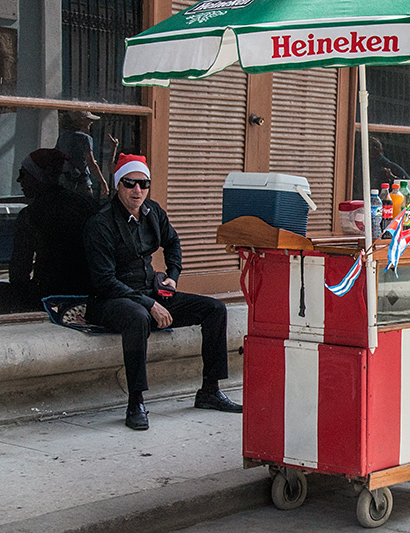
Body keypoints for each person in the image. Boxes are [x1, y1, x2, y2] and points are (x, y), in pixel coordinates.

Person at [82, 153, 241, 431]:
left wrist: (173, 276)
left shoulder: (152, 212)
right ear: (118, 185)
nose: (137, 191)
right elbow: (104, 280)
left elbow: (173, 242)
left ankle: (209, 390)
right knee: (138, 317)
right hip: (111, 299)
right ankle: (136, 402)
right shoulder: (101, 224)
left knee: (214, 309)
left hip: (149, 290)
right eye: (130, 183)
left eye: (143, 184)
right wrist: (148, 304)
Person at [3, 149, 98, 312]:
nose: (19, 181)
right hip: (90, 294)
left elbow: (19, 273)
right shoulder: (86, 206)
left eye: (23, 174)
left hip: (49, 298)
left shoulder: (31, 215)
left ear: (37, 178)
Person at [56, 110, 118, 200]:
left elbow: (57, 156)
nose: (91, 122)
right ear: (81, 120)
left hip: (65, 181)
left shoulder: (63, 136)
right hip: (81, 182)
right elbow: (91, 163)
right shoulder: (85, 138)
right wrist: (103, 182)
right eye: (88, 120)